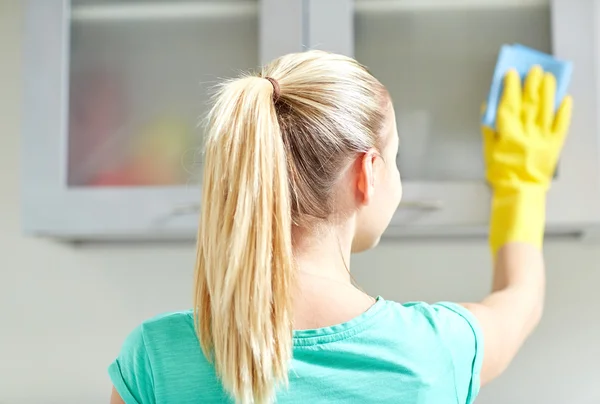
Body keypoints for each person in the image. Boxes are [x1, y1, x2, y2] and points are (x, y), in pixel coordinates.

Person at [108, 50, 572, 404]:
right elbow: (520, 301)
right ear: (366, 173)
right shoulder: (431, 351)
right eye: (394, 159)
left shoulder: (154, 358)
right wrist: (521, 184)